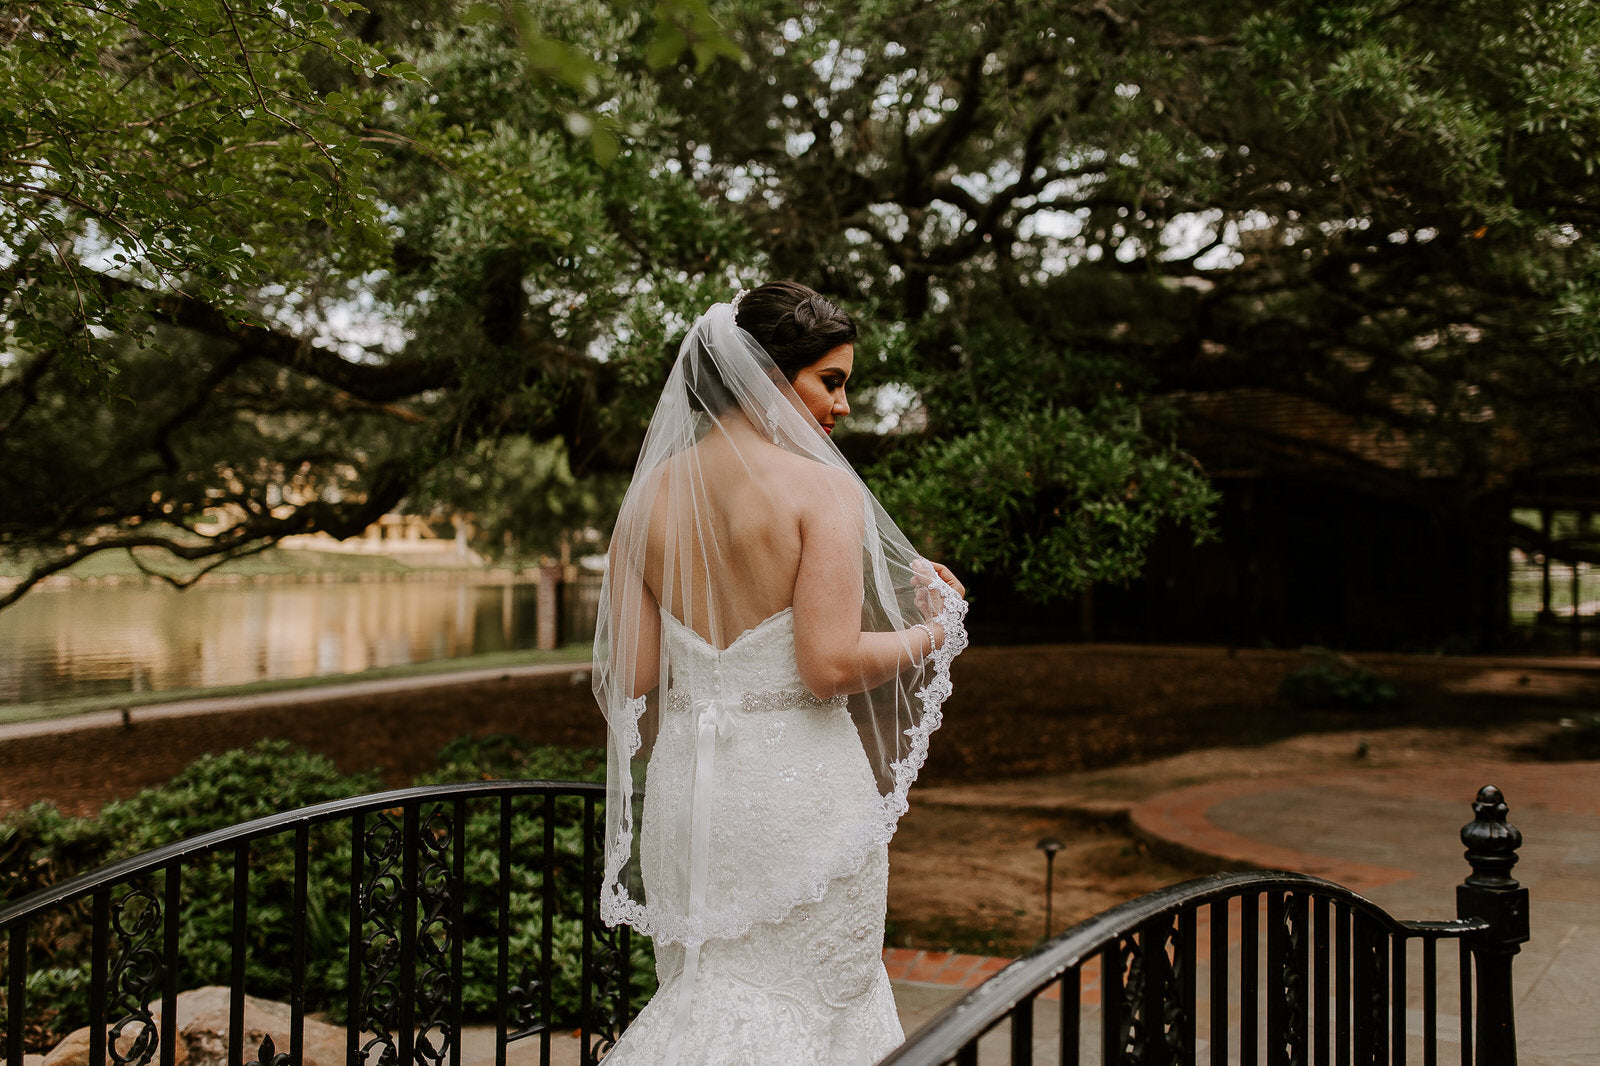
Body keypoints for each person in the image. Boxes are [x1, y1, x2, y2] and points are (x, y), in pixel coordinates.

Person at [592, 281, 968, 1065]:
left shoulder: (645, 499)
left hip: (688, 795)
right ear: (767, 375)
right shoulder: (822, 486)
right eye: (831, 381)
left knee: (707, 993)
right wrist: (935, 629)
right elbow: (828, 664)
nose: (845, 405)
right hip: (797, 793)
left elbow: (630, 673)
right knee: (816, 1005)